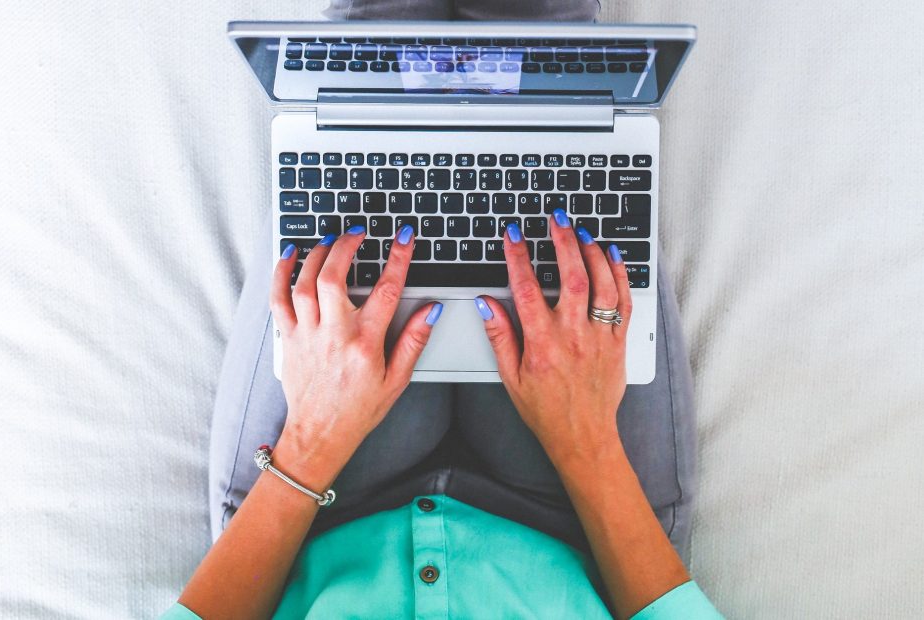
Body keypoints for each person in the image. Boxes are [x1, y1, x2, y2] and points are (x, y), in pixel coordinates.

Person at [163, 5, 723, 619]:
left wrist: (312, 437)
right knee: (557, 87)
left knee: (364, 96)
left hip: (305, 514)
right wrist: (588, 440)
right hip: (592, 524)